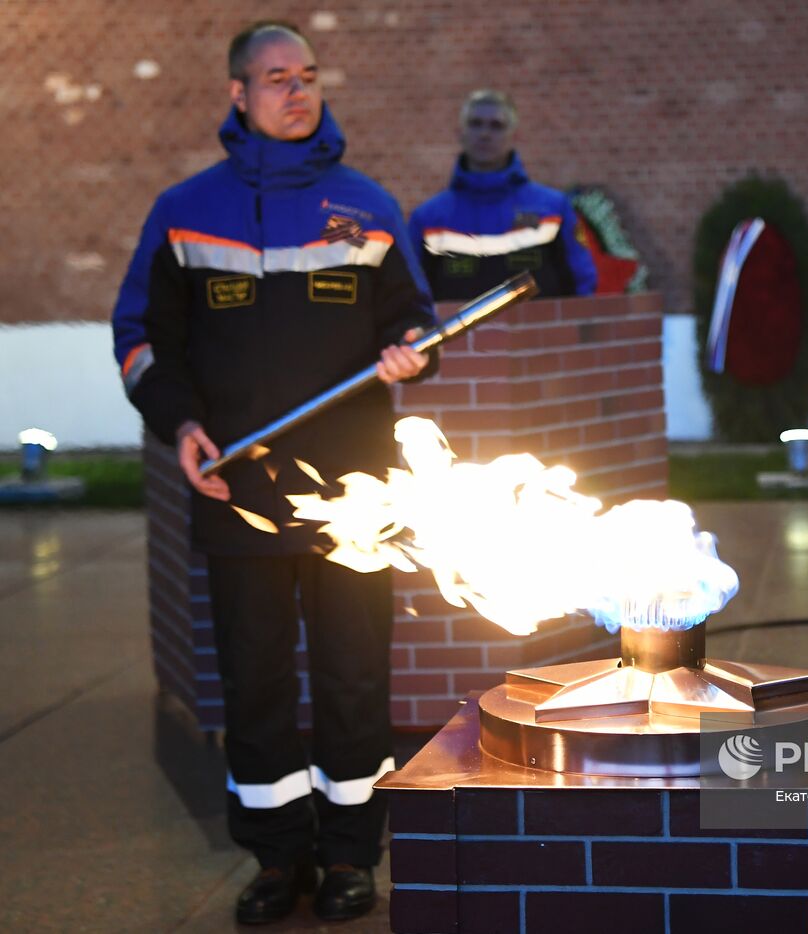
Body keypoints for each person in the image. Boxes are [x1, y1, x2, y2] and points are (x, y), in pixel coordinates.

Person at [111, 21, 436, 925]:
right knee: (252, 682)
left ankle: (347, 858)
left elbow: (412, 322)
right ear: (238, 95)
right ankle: (275, 858)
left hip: (356, 503)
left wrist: (412, 350)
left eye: (309, 76)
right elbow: (142, 339)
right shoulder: (184, 210)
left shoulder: (369, 206)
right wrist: (177, 423)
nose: (298, 91)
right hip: (236, 495)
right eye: (277, 78)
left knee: (352, 675)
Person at [409, 89, 597, 300]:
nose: (485, 134)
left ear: (515, 136)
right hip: (460, 334)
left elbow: (582, 286)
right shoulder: (429, 219)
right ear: (459, 133)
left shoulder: (552, 210)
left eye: (496, 126)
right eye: (475, 124)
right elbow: (413, 297)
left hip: (536, 333)